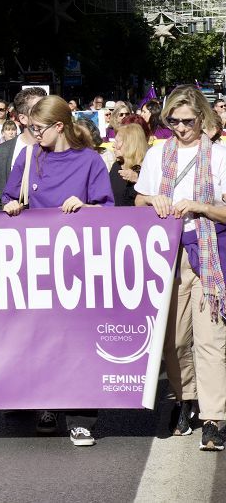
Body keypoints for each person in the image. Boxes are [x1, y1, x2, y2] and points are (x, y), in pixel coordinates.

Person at [2, 95, 114, 447]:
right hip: (38, 265)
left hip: (80, 266)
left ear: (59, 126)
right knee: (41, 340)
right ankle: (46, 405)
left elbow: (108, 210)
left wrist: (86, 206)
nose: (33, 134)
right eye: (29, 128)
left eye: (38, 128)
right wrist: (12, 205)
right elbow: (8, 196)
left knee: (80, 341)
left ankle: (81, 417)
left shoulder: (90, 160)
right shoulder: (29, 156)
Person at [134, 86, 226, 450]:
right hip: (165, 254)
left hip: (207, 253)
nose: (181, 127)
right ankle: (186, 398)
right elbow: (139, 198)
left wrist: (200, 206)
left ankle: (214, 417)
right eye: (173, 120)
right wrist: (151, 199)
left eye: (188, 120)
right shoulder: (158, 155)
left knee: (210, 340)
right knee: (172, 339)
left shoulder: (219, 155)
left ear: (202, 118)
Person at [0, 88, 47, 211]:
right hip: (15, 227)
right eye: (39, 110)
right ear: (23, 118)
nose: (47, 113)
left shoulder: (58, 148)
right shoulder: (3, 151)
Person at [110, 123, 148, 207]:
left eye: (117, 141)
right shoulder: (116, 166)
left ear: (130, 144)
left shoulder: (147, 168)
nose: (113, 145)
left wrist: (138, 180)